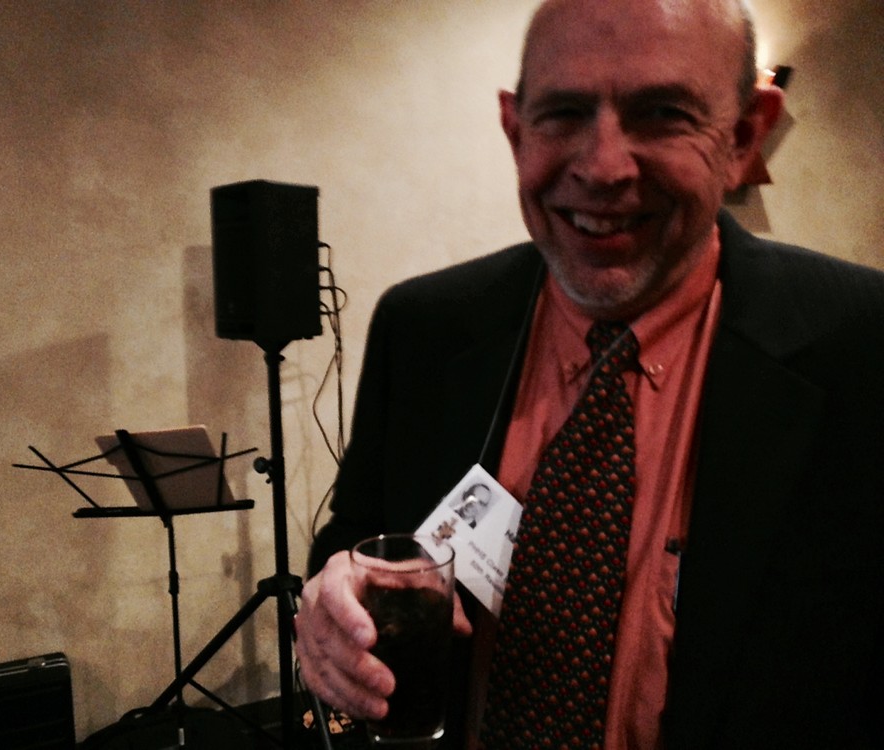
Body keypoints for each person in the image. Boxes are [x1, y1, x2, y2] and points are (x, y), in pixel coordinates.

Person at [294, 0, 884, 747]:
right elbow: (360, 541)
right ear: (516, 131)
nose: (602, 167)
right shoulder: (423, 329)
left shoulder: (861, 349)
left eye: (663, 114)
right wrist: (332, 605)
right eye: (564, 113)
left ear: (743, 137)